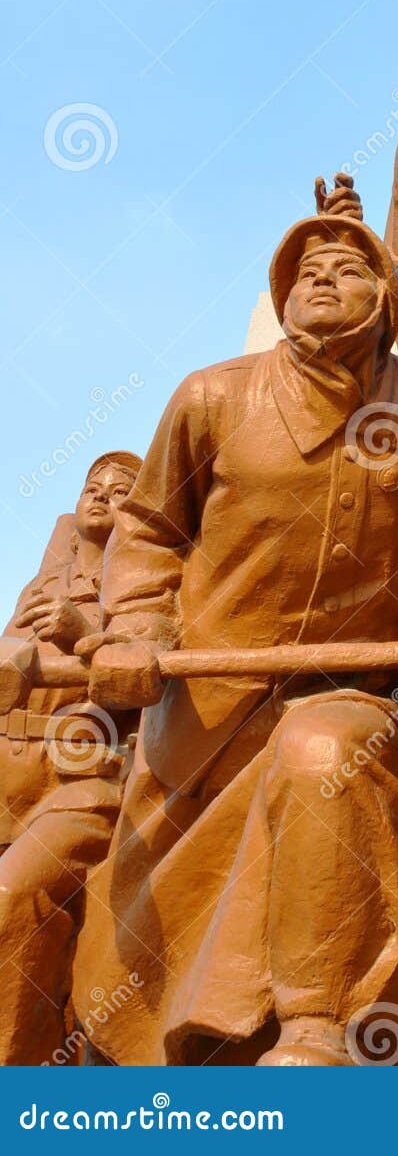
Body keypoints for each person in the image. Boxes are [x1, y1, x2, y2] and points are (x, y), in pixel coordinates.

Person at [69, 188, 398, 1066]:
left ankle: (318, 1027)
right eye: (306, 273)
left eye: (348, 270)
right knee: (133, 969)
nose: (322, 281)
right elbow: (152, 532)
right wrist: (131, 629)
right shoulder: (211, 396)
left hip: (356, 691)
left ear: (386, 300)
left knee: (324, 753)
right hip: (205, 707)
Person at [0, 451, 141, 1064]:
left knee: (15, 893)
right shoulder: (44, 581)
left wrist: (80, 627)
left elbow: (152, 662)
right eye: (93, 487)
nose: (101, 497)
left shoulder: (143, 584)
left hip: (85, 774)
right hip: (11, 767)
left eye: (120, 491)